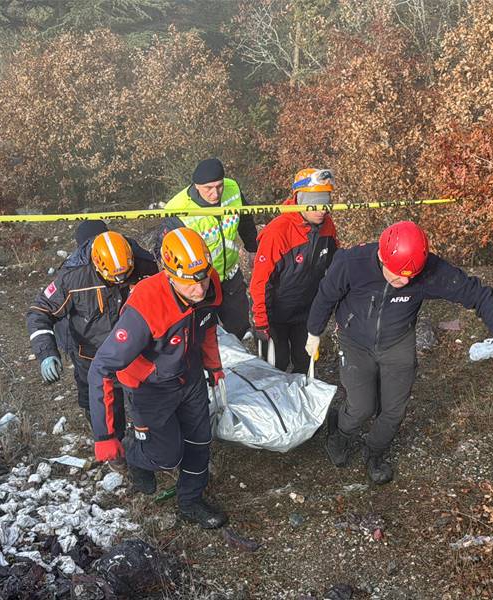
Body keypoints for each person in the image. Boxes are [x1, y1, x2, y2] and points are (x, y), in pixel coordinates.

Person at [306, 221, 493, 484]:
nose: (406, 280)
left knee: (393, 410)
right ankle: (340, 433)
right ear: (381, 257)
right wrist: (313, 332)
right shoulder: (351, 263)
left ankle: (374, 452)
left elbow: (479, 295)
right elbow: (325, 296)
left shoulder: (429, 272)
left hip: (398, 341)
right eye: (398, 274)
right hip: (355, 341)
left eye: (412, 275)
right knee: (362, 405)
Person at [88, 227, 228, 529]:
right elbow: (101, 367)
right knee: (166, 457)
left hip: (187, 375)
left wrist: (213, 366)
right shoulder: (146, 306)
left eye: (203, 277)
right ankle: (136, 453)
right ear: (169, 273)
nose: (200, 288)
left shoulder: (209, 282)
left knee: (200, 442)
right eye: (190, 282)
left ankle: (189, 501)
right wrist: (104, 435)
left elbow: (207, 328)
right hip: (149, 385)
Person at [26, 221, 158, 436]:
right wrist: (46, 352)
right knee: (100, 405)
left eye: (125, 275)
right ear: (97, 265)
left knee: (147, 403)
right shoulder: (73, 277)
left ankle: (147, 445)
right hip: (91, 355)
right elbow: (39, 311)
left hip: (136, 351)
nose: (120, 281)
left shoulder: (144, 264)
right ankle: (111, 446)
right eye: (114, 278)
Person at [249, 168, 339, 373]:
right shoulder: (277, 232)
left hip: (306, 312)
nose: (322, 209)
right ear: (300, 200)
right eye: (316, 202)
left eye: (326, 202)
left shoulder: (327, 227)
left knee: (305, 363)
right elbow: (260, 282)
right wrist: (261, 322)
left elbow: (335, 268)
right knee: (274, 368)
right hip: (274, 316)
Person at [162, 158, 258, 340]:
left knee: (240, 331)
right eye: (208, 188)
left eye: (219, 186)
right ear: (197, 186)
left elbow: (245, 220)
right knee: (203, 336)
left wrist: (252, 248)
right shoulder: (177, 209)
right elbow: (170, 251)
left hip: (230, 275)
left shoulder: (233, 189)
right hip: (199, 282)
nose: (215, 193)